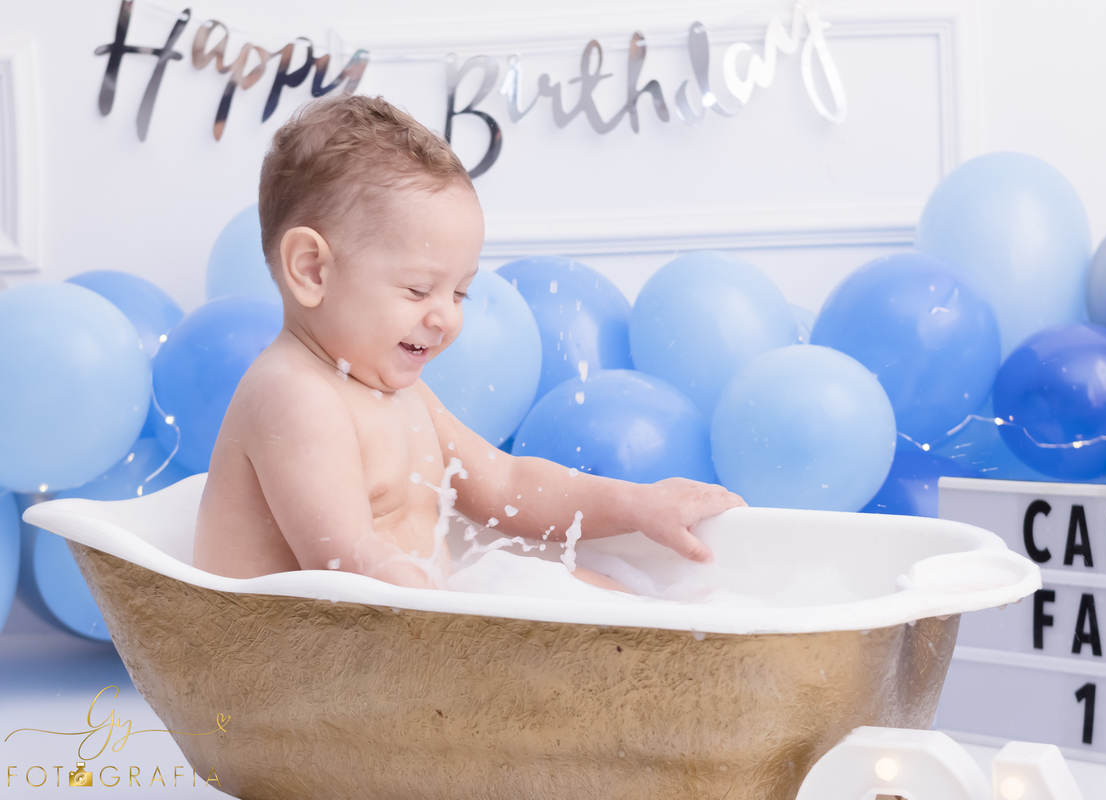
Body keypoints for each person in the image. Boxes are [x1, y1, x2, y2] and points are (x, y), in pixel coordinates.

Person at [193, 94, 744, 593]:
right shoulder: (293, 395)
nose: (447, 318)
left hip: (399, 634)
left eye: (460, 292)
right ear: (313, 270)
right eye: (418, 290)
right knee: (557, 605)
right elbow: (342, 563)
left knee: (598, 591)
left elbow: (507, 484)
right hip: (293, 655)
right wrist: (464, 605)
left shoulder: (397, 394)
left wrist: (638, 504)